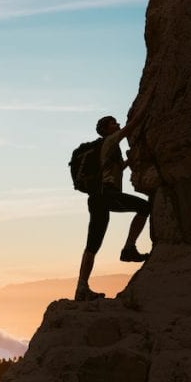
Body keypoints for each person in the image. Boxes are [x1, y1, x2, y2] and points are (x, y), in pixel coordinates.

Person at [74, 110, 151, 302]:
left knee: (92, 245)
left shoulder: (106, 150)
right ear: (107, 130)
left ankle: (81, 288)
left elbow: (112, 172)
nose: (117, 125)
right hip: (106, 196)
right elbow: (131, 127)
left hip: (97, 199)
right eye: (113, 123)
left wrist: (127, 162)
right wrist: (148, 103)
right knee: (144, 207)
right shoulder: (110, 142)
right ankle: (128, 249)